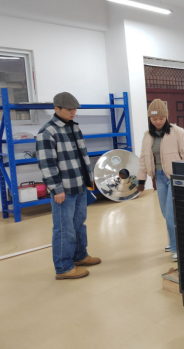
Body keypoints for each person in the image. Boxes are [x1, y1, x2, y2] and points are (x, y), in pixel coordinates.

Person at [36, 92, 101, 280]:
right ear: (56, 108)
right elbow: (47, 164)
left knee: (79, 224)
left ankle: (79, 255)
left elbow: (81, 157)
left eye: (75, 109)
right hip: (63, 190)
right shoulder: (47, 132)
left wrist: (88, 180)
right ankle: (63, 267)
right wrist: (56, 189)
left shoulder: (74, 127)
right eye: (69, 109)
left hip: (80, 185)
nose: (73, 112)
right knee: (64, 228)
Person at [137, 99, 184, 261]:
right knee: (165, 213)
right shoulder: (147, 136)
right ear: (150, 118)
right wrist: (141, 181)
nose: (158, 121)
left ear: (166, 117)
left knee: (171, 214)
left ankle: (176, 248)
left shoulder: (177, 132)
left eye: (161, 118)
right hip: (159, 177)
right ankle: (173, 240)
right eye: (154, 119)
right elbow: (143, 158)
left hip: (175, 177)